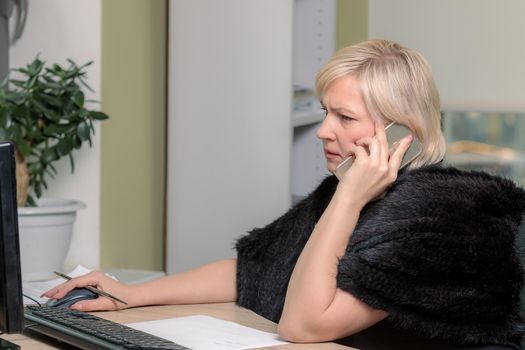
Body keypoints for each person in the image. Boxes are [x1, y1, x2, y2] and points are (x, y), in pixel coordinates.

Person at [44, 40, 525, 349]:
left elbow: (304, 327)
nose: (322, 131)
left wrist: (348, 200)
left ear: (405, 132)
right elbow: (258, 266)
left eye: (345, 117)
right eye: (324, 112)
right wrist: (133, 294)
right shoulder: (349, 191)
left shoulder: (445, 219)